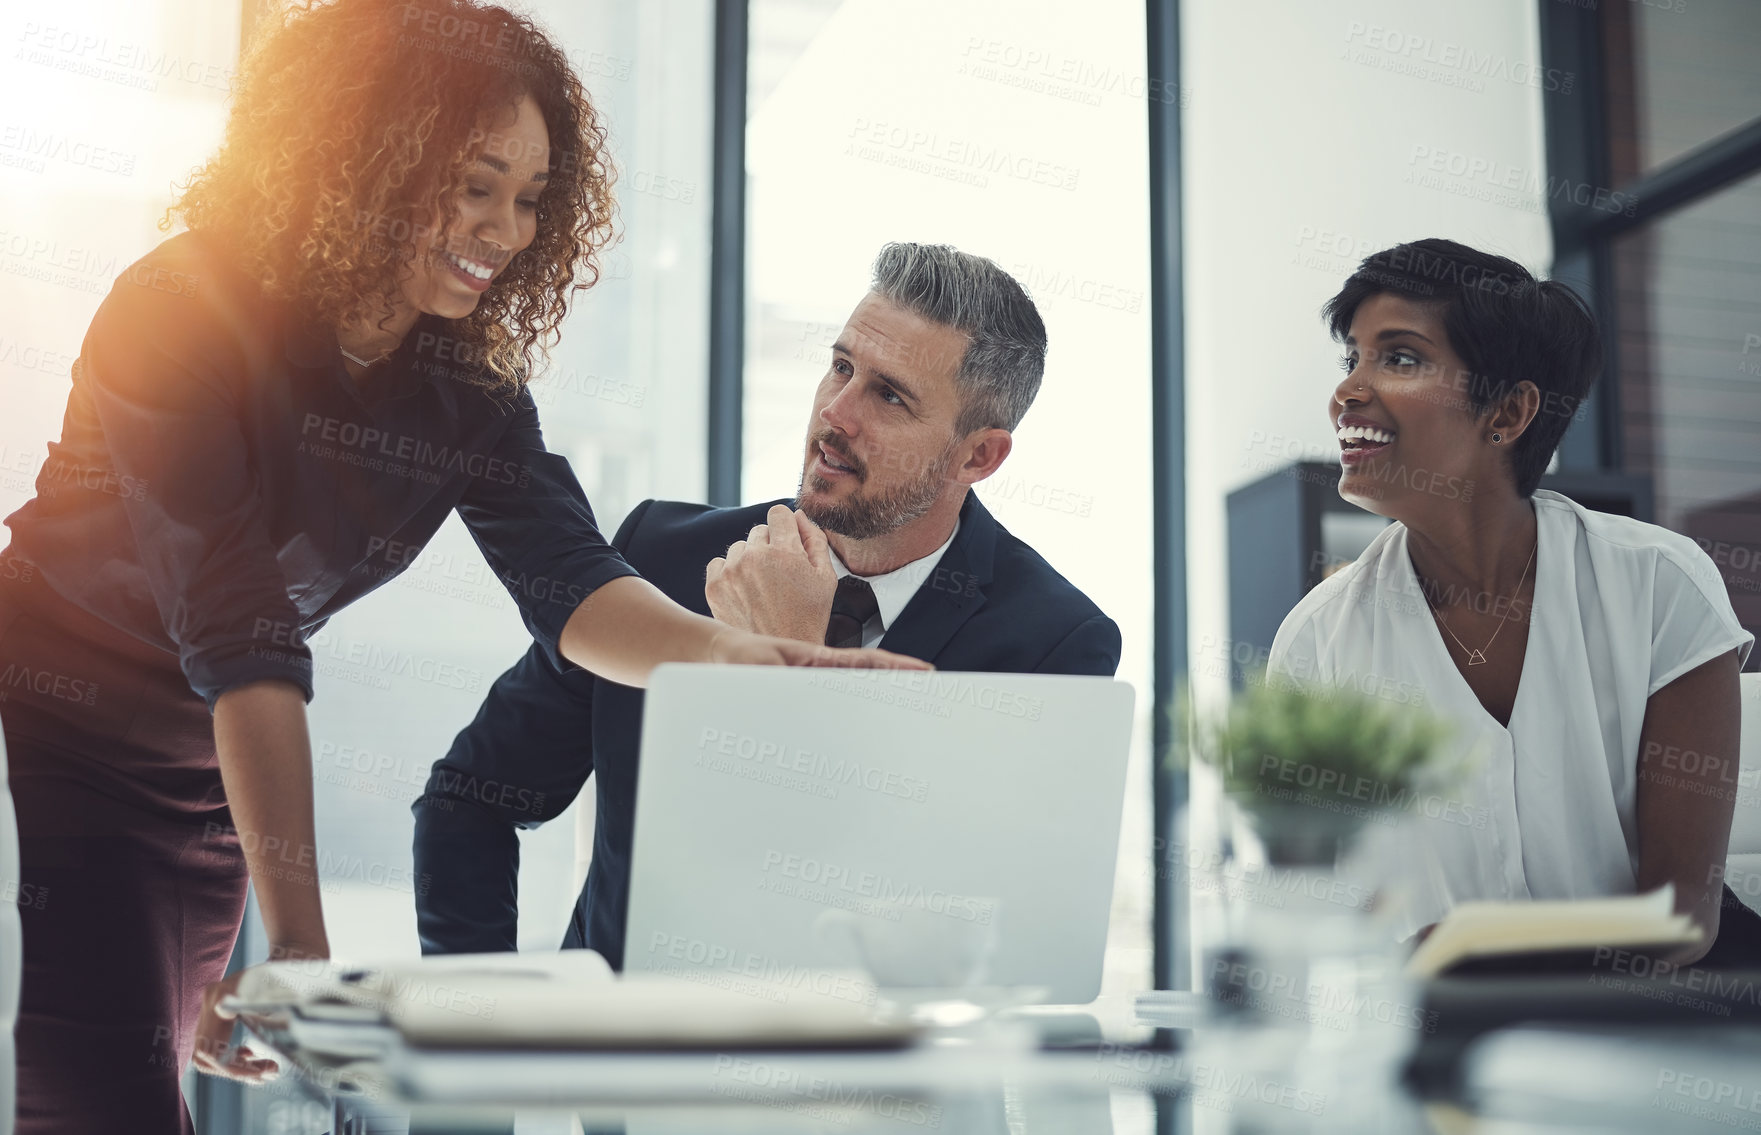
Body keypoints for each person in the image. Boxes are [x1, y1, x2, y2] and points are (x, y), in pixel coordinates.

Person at [0, 3, 920, 1131]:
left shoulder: (463, 383)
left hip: (208, 780)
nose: (509, 228)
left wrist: (744, 660)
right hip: (44, 745)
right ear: (359, 161)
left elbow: (572, 584)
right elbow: (238, 625)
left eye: (532, 197)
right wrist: (299, 947)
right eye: (475, 184)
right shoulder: (178, 309)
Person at [413, 243, 1122, 966]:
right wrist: (473, 1026)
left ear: (978, 457)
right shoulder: (659, 560)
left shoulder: (1051, 644)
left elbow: (992, 938)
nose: (835, 412)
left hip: (869, 1074)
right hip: (617, 1062)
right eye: (841, 366)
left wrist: (790, 671)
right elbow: (468, 798)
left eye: (889, 396)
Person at [1269, 238, 1757, 964]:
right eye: (1352, 358)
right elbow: (1316, 920)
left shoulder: (1658, 583)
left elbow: (1680, 919)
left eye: (1398, 357)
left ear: (1508, 411)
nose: (1349, 390)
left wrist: (1461, 946)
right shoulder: (1315, 641)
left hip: (1662, 1021)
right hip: (1435, 1042)